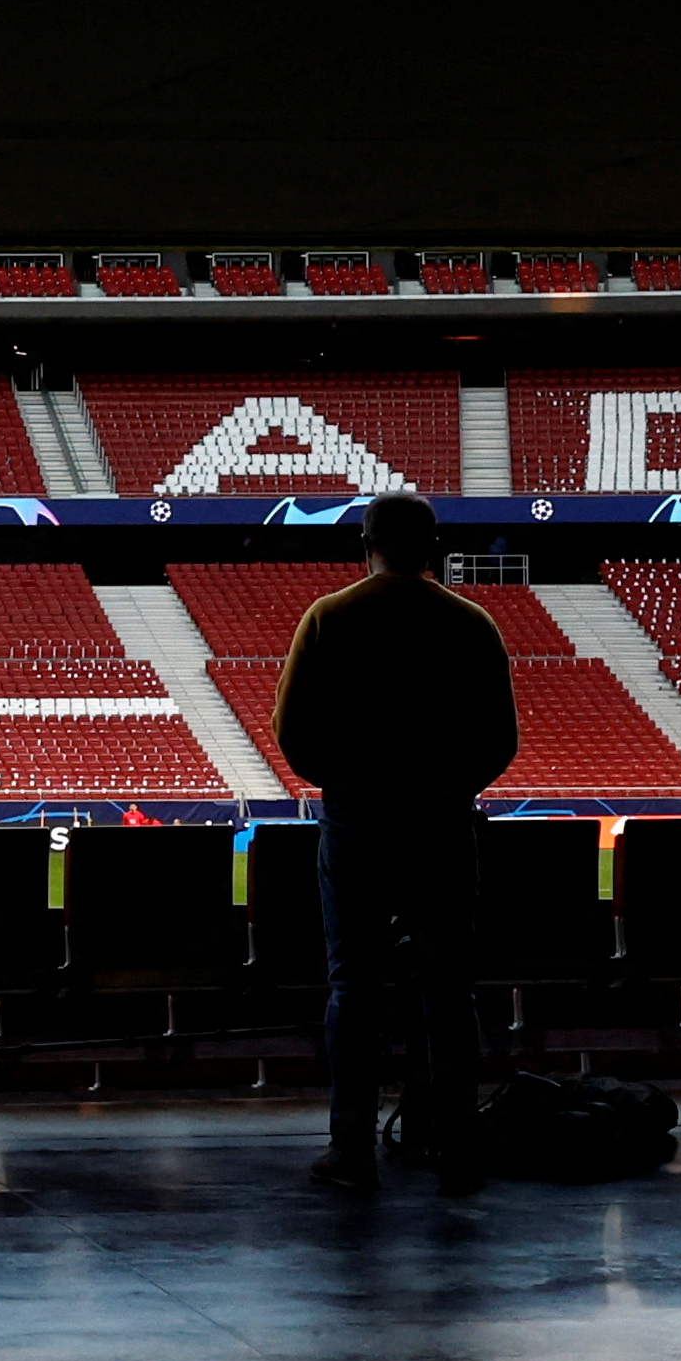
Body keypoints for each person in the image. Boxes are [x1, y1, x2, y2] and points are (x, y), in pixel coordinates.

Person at [270, 495, 519, 1195]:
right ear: (432, 546)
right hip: (441, 824)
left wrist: (348, 782)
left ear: (364, 544)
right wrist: (446, 789)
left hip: (356, 822)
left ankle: (349, 1146)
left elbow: (291, 731)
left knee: (353, 984)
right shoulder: (469, 623)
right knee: (446, 986)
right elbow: (499, 738)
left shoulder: (329, 616)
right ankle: (456, 1138)